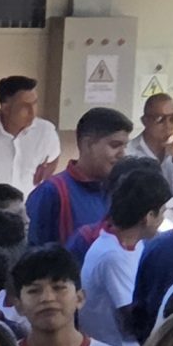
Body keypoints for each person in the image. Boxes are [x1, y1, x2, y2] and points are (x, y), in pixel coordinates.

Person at [75, 162, 171, 346]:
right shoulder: (113, 256)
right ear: (148, 217)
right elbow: (131, 322)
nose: (162, 220)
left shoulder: (133, 244)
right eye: (162, 213)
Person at [27, 106, 135, 249]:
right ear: (88, 144)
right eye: (115, 145)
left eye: (124, 147)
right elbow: (33, 253)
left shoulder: (122, 191)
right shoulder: (52, 192)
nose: (122, 154)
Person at [0, 73, 64, 191]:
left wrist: (45, 174)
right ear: (6, 108)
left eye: (35, 103)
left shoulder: (45, 131)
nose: (32, 112)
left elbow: (54, 155)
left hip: (29, 202)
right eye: (25, 106)